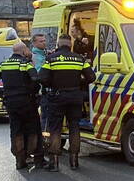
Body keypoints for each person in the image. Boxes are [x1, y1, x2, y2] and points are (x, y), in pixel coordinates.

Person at [39, 34, 95, 172]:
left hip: (57, 97)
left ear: (58, 45)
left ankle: (54, 163)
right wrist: (78, 82)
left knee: (55, 128)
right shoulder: (80, 59)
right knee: (74, 127)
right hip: (75, 96)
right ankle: (74, 161)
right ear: (70, 45)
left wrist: (53, 83)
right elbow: (91, 77)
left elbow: (42, 78)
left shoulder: (51, 59)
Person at [0, 42, 42, 170]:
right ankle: (34, 156)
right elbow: (35, 79)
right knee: (33, 129)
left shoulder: (3, 64)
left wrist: (2, 95)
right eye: (27, 49)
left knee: (16, 130)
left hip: (11, 102)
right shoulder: (25, 64)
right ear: (23, 51)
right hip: (27, 102)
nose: (29, 51)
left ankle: (19, 160)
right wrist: (32, 92)